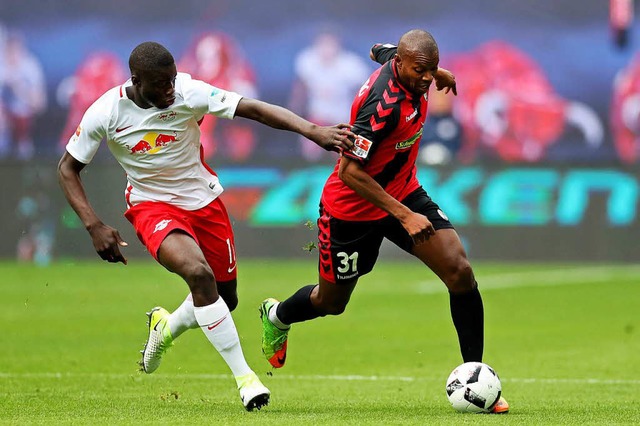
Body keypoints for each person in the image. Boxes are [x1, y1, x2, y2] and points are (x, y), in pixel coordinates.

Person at [57, 41, 354, 411]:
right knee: (199, 275)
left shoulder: (188, 91)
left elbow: (255, 109)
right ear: (136, 80)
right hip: (152, 206)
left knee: (224, 299)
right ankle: (246, 380)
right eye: (161, 84)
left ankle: (165, 328)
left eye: (172, 80)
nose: (170, 89)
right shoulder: (105, 111)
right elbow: (67, 168)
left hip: (204, 203)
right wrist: (93, 225)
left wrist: (314, 131)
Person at [259, 30, 509, 414]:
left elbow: (379, 49)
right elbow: (348, 171)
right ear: (404, 66)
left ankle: (474, 376)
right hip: (352, 209)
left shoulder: (404, 62)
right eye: (421, 72)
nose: (427, 79)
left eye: (432, 70)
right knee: (331, 302)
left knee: (460, 271)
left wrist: (438, 73)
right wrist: (405, 216)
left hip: (403, 189)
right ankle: (277, 316)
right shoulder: (382, 107)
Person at [289, 29, 371, 162]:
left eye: (330, 45)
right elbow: (300, 87)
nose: (326, 49)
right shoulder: (308, 60)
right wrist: (295, 109)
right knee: (310, 153)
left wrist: (360, 116)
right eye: (323, 44)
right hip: (317, 116)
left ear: (337, 45)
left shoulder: (351, 65)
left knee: (342, 155)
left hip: (341, 118)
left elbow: (364, 90)